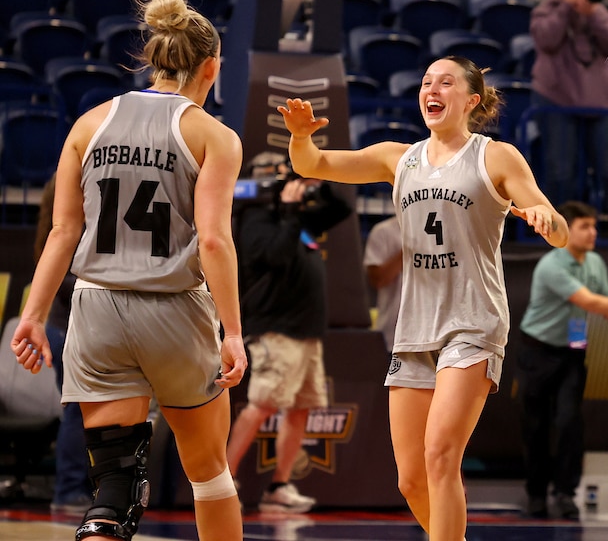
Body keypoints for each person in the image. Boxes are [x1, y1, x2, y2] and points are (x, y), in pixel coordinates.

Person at [278, 55, 569, 540]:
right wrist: (301, 135)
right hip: (413, 328)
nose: (432, 89)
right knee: (411, 479)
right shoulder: (399, 157)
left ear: (471, 100)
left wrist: (546, 220)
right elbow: (313, 164)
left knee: (441, 456)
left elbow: (556, 228)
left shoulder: (494, 156)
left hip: (472, 324)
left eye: (446, 82)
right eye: (426, 81)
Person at [9, 0, 246, 541]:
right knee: (209, 476)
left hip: (95, 311)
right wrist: (232, 332)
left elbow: (63, 232)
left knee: (114, 487)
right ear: (211, 67)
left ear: (153, 58)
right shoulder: (213, 135)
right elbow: (213, 241)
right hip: (173, 312)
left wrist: (33, 314)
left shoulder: (90, 122)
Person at [225, 151, 351, 513]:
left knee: (302, 409)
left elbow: (341, 210)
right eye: (277, 176)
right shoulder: (252, 217)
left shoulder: (294, 214)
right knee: (262, 405)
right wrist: (292, 211)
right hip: (274, 327)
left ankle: (279, 485)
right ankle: (225, 480)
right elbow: (274, 256)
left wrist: (316, 183)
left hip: (306, 329)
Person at [514, 200, 608, 520]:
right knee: (536, 425)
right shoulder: (552, 265)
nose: (592, 233)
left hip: (573, 346)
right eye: (584, 226)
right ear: (566, 230)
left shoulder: (595, 263)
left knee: (570, 421)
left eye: (594, 226)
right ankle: (536, 495)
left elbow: (607, 304)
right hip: (537, 349)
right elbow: (591, 302)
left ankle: (566, 493)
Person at [530, 0, 608, 226]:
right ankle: (557, 226)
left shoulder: (599, 12)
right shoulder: (545, 11)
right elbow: (547, 40)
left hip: (599, 103)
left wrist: (592, 13)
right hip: (557, 101)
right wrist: (565, 8)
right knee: (561, 171)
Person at [32, 176, 93, 515]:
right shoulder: (69, 228)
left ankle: (77, 488)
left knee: (81, 410)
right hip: (66, 328)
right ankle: (69, 490)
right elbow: (67, 282)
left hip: (64, 328)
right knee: (77, 410)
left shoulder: (58, 224)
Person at [363, 215, 403, 352]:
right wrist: (410, 248)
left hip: (434, 338)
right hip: (392, 337)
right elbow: (378, 280)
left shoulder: (445, 229)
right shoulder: (383, 231)